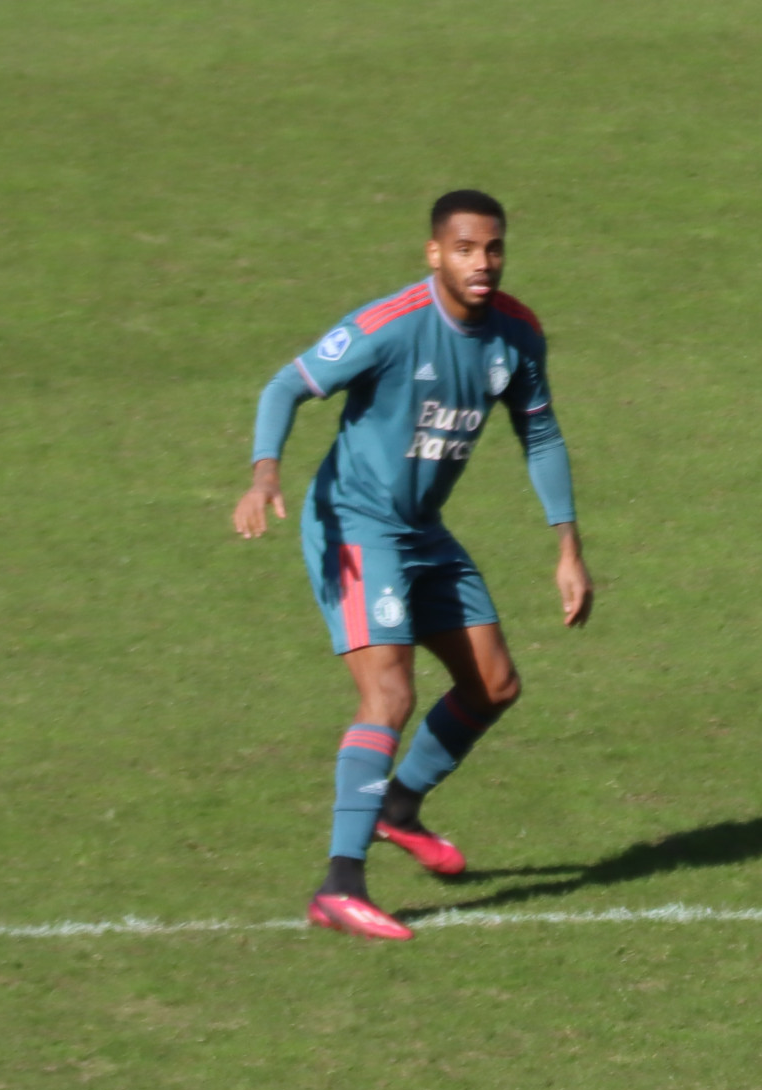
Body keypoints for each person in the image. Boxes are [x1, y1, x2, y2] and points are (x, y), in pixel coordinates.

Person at [235, 190, 591, 943]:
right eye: (464, 249)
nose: (482, 263)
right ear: (434, 254)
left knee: (494, 685)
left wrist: (568, 548)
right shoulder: (391, 326)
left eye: (493, 248)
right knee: (389, 693)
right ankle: (339, 885)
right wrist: (265, 473)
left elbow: (541, 435)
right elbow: (286, 384)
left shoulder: (517, 334)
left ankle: (398, 809)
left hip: (422, 531)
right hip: (355, 524)